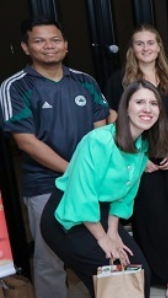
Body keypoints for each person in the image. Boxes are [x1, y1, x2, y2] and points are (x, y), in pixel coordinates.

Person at [1, 17, 109, 298]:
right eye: (39, 41)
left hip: (90, 184)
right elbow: (26, 142)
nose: (49, 46)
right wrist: (76, 171)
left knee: (98, 249)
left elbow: (102, 133)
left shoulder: (85, 81)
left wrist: (94, 173)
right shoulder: (16, 87)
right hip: (45, 186)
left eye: (55, 40)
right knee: (49, 260)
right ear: (26, 47)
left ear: (66, 45)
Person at [40, 80, 168, 298]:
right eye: (139, 102)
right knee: (114, 278)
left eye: (153, 103)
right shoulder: (98, 141)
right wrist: (104, 240)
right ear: (126, 109)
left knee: (138, 271)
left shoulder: (143, 145)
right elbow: (82, 197)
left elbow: (127, 193)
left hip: (100, 214)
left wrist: (113, 231)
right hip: (68, 217)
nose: (147, 109)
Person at [104, 24, 168, 296]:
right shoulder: (119, 81)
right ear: (132, 49)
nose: (146, 48)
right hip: (138, 160)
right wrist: (137, 157)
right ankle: (166, 276)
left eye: (151, 43)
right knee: (152, 216)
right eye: (139, 43)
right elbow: (114, 123)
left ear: (159, 47)